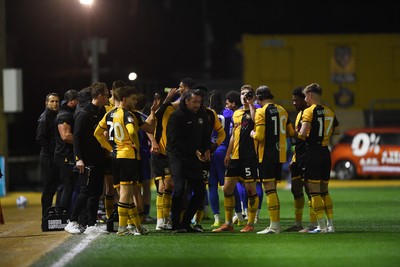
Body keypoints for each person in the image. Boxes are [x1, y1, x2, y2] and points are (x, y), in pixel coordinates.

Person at [94, 85, 155, 236]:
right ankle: (122, 228)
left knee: (125, 192)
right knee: (127, 193)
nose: (135, 101)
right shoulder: (128, 114)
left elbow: (97, 133)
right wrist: (136, 145)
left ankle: (137, 227)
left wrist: (110, 148)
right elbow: (133, 130)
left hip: (115, 156)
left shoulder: (109, 114)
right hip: (128, 156)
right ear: (124, 99)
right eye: (133, 99)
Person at [64, 82, 110, 235]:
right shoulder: (83, 113)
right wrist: (79, 159)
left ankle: (91, 224)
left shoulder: (101, 110)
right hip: (86, 159)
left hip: (98, 157)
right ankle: (72, 221)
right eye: (106, 94)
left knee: (96, 192)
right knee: (85, 190)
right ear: (100, 96)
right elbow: (76, 138)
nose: (109, 96)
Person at [212, 85, 259, 233]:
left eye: (247, 94)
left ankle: (250, 224)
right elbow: (233, 134)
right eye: (242, 94)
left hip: (249, 156)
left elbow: (254, 120)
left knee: (250, 189)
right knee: (227, 188)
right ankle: (228, 223)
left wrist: (250, 103)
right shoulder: (236, 114)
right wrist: (228, 153)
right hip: (235, 156)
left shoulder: (256, 111)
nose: (244, 96)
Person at [250, 85, 295, 234]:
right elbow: (290, 132)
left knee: (269, 190)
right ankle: (274, 225)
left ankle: (274, 226)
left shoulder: (261, 112)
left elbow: (260, 136)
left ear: (259, 98)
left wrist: (252, 134)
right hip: (279, 154)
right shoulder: (282, 110)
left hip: (266, 155)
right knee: (273, 190)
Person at [166, 89, 211, 233]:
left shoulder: (202, 115)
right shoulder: (176, 116)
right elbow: (173, 141)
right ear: (186, 101)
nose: (197, 105)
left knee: (199, 191)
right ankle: (175, 225)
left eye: (199, 102)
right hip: (177, 156)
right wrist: (194, 150)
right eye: (194, 102)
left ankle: (186, 223)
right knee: (179, 189)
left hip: (193, 156)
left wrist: (206, 149)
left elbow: (205, 134)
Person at [297, 82, 339, 233]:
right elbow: (337, 131)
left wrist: (293, 133)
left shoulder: (309, 111)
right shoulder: (330, 111)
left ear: (310, 95)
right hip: (325, 152)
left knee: (314, 192)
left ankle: (321, 227)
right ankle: (331, 225)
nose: (305, 100)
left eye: (305, 97)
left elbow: (302, 134)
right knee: (325, 191)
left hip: (313, 153)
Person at [284, 86, 317, 232]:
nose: (294, 103)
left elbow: (304, 136)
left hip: (308, 157)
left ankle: (313, 224)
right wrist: (293, 158)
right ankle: (298, 224)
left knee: (309, 190)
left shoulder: (310, 114)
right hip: (298, 157)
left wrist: (290, 132)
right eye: (292, 100)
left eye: (296, 100)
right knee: (295, 189)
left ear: (304, 99)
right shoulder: (299, 115)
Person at [36, 92, 61, 225]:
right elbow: (40, 138)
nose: (55, 104)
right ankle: (45, 218)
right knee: (48, 188)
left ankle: (56, 214)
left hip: (55, 156)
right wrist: (53, 152)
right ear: (46, 103)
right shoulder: (44, 118)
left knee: (57, 186)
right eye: (52, 101)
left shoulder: (56, 115)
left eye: (56, 101)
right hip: (48, 157)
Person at [102, 80, 125, 221]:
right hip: (111, 151)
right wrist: (108, 148)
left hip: (123, 150)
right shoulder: (106, 106)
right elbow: (102, 131)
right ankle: (109, 216)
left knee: (124, 186)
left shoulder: (125, 106)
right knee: (110, 186)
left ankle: (122, 214)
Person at [54, 89, 79, 217]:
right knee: (68, 186)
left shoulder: (68, 112)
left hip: (65, 155)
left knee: (65, 186)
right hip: (65, 156)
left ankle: (61, 213)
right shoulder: (65, 115)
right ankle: (63, 214)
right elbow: (65, 136)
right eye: (77, 99)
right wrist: (82, 141)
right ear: (72, 101)